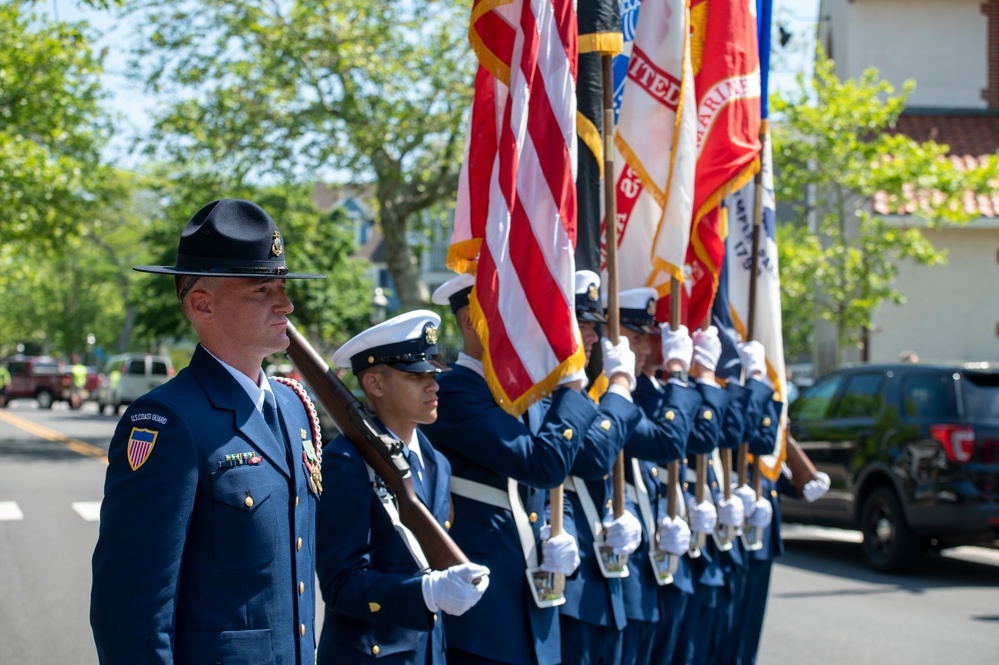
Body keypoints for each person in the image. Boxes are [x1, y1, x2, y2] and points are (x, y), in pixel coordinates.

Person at [90, 198, 326, 665]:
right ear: (202, 304)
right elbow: (131, 615)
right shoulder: (168, 422)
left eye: (282, 285)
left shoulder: (294, 408)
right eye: (262, 290)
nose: (287, 304)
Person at [422, 273, 593, 665]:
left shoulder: (523, 390)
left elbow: (556, 477)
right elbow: (542, 464)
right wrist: (570, 391)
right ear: (470, 322)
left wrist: (559, 527)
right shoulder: (453, 391)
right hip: (488, 605)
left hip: (536, 596)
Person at [315, 309, 490, 664]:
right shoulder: (347, 461)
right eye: (416, 376)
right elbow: (341, 585)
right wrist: (423, 593)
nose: (434, 384)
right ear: (374, 385)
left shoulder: (435, 461)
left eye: (434, 372)